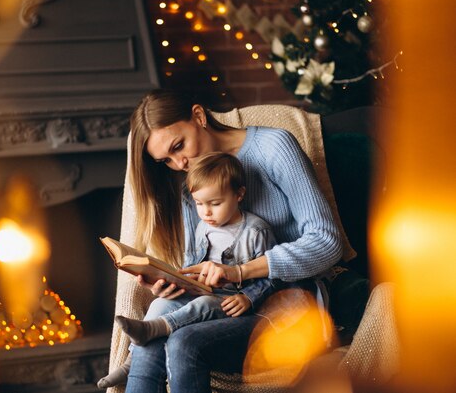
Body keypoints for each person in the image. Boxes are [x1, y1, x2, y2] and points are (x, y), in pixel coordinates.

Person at [110, 89, 344, 393]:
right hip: (222, 302)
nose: (179, 163)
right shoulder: (192, 185)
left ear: (198, 116)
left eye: (179, 146)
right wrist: (175, 281)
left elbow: (327, 241)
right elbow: (202, 260)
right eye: (165, 160)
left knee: (183, 342)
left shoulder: (274, 147)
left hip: (286, 300)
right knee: (155, 326)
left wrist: (242, 272)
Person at [98, 152, 283, 389]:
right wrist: (174, 280)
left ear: (239, 194)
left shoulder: (256, 232)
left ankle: (157, 329)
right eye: (199, 204)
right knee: (158, 305)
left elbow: (275, 276)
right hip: (203, 293)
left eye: (215, 203)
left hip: (231, 306)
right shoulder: (202, 228)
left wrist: (248, 297)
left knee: (204, 305)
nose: (206, 212)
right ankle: (130, 363)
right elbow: (192, 265)